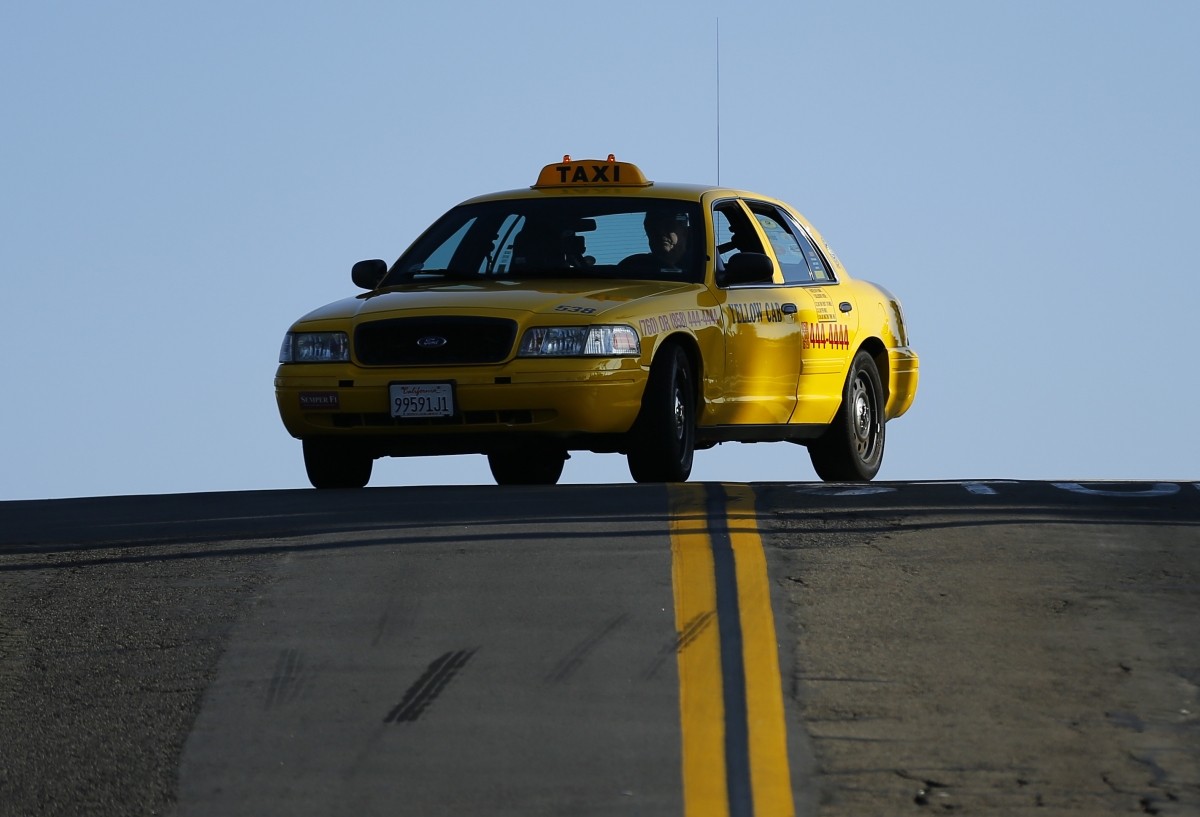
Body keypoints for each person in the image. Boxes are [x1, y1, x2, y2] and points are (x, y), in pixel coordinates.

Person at [620, 211, 691, 271]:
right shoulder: (637, 268)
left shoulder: (698, 268)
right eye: (654, 229)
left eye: (668, 226)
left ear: (684, 233)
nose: (660, 232)